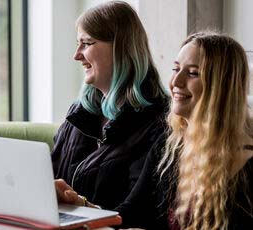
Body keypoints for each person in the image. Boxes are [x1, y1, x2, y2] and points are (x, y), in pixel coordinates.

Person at [114, 31, 253, 230]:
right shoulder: (169, 146)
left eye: (193, 73)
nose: (175, 82)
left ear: (222, 86)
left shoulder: (247, 166)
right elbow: (131, 212)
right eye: (175, 68)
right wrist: (81, 208)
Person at [52, 1, 168, 210]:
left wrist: (84, 208)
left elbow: (139, 213)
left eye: (87, 43)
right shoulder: (78, 112)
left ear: (121, 49)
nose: (76, 55)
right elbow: (50, 174)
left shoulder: (158, 122)